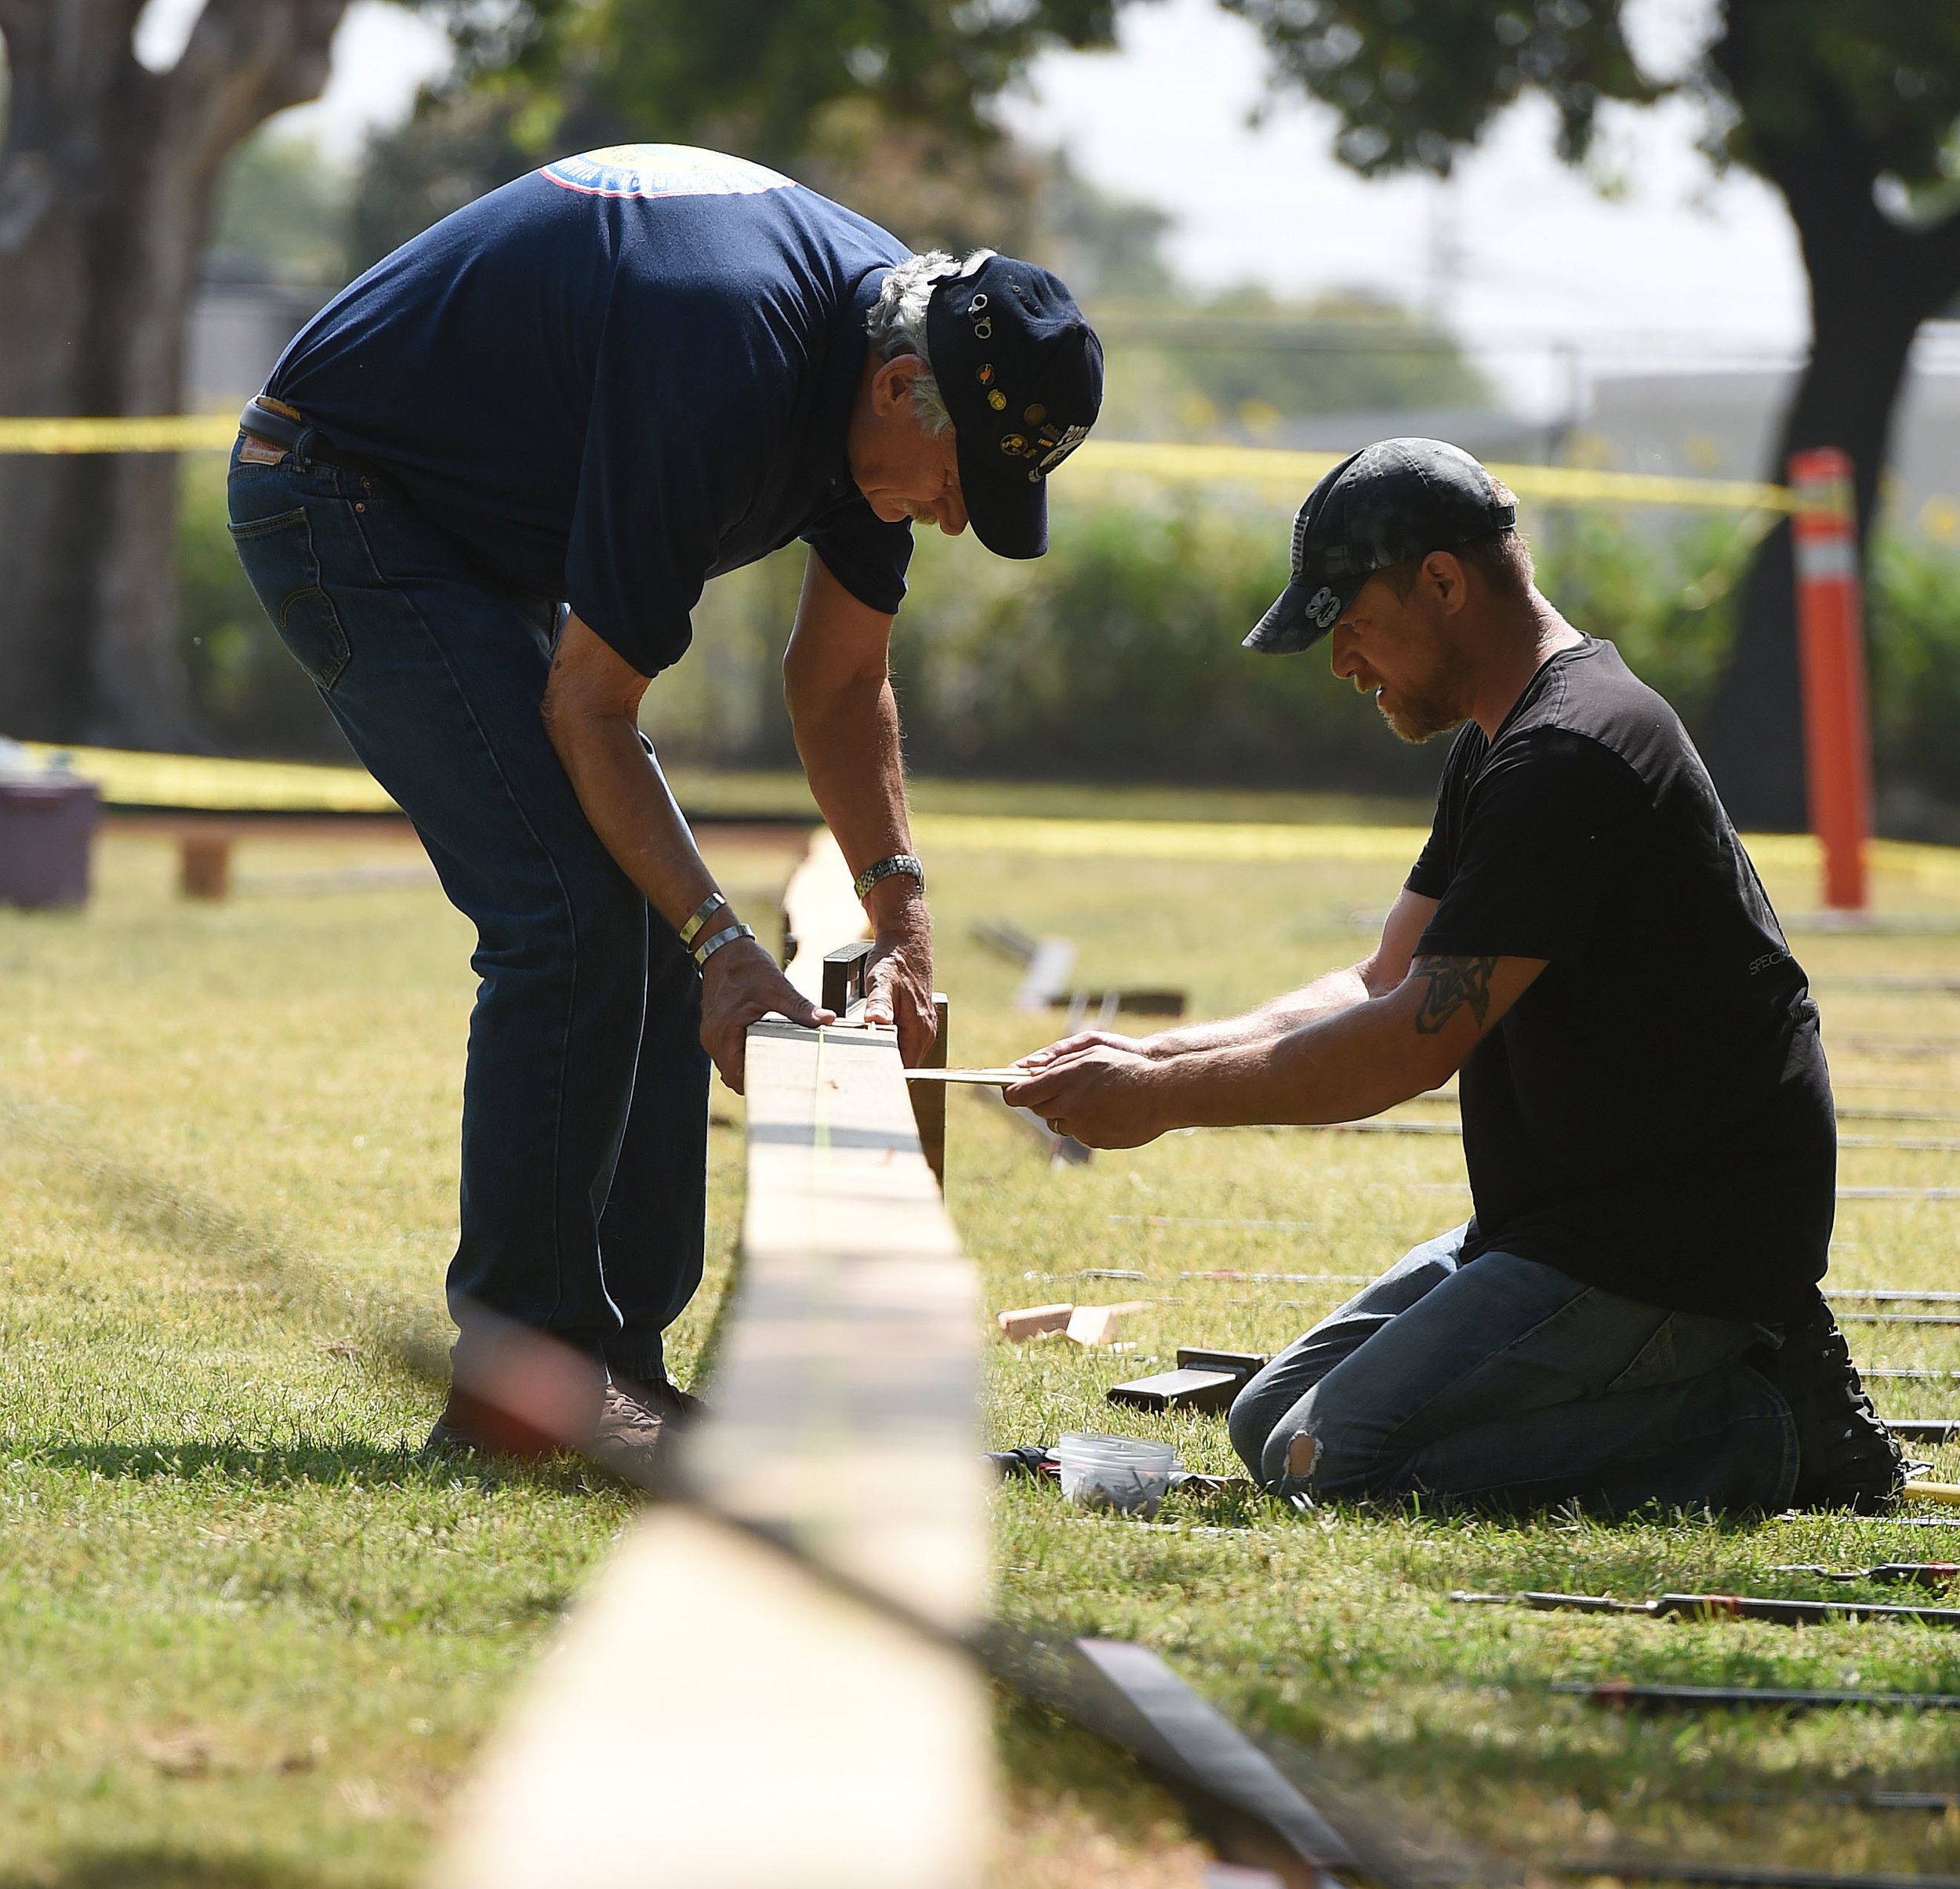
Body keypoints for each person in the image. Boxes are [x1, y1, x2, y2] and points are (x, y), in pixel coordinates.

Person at [227, 143, 1102, 1463]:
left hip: (473, 523)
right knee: (573, 910)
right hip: (343, 492)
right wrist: (723, 944)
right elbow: (592, 710)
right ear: (902, 390)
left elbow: (840, 677)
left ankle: (616, 1366)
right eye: (961, 485)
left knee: (640, 909)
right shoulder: (728, 360)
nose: (957, 523)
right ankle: (521, 1390)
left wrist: (900, 914)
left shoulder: (883, 354)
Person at [1007, 439, 1901, 1519]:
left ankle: (1767, 1428)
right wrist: (1152, 1053)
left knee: (1327, 1465)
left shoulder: (1574, 752)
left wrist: (1162, 1102)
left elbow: (1407, 1047)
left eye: (1353, 624)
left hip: (1675, 1246)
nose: (1343, 664)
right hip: (1567, 1224)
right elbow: (1385, 978)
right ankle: (1710, 1401)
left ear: (1442, 581)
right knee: (1265, 1423)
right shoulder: (1500, 741)